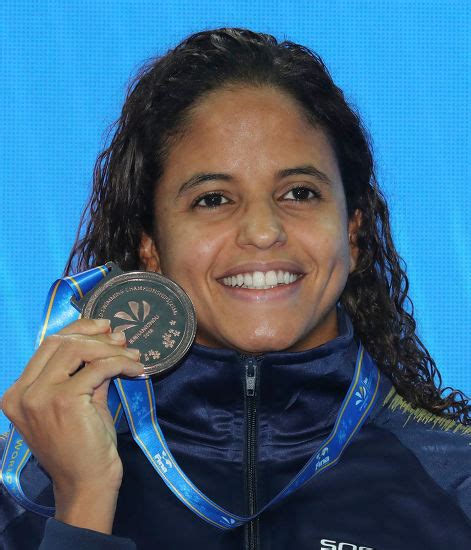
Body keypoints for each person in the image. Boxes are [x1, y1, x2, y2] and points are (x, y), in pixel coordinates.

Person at [0, 27, 470, 550]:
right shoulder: (23, 494)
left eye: (299, 192)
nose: (264, 230)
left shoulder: (457, 485)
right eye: (213, 199)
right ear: (150, 247)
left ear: (352, 234)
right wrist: (83, 500)